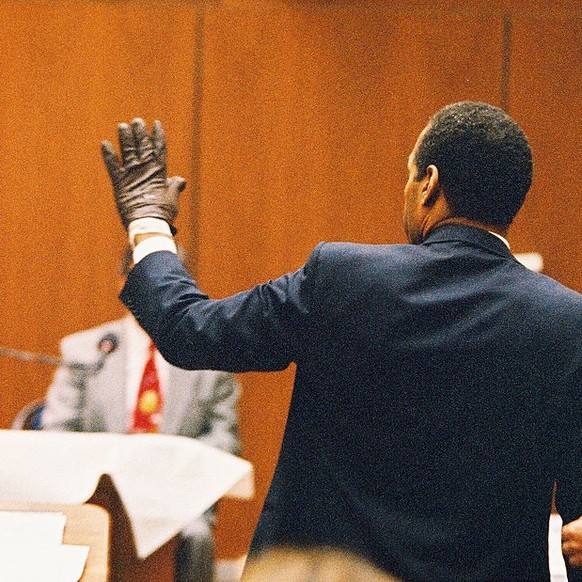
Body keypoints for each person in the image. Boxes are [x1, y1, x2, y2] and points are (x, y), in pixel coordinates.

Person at [100, 102, 582, 581]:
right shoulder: (566, 321)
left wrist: (148, 223)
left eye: (408, 176)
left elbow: (191, 331)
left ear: (429, 184)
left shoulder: (343, 278)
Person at [41, 246, 241, 582]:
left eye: (167, 282)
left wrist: (168, 463)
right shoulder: (85, 350)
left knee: (195, 535)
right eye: (143, 280)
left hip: (177, 498)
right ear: (123, 284)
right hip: (99, 495)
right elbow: (56, 432)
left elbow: (225, 441)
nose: (155, 294)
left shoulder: (211, 359)